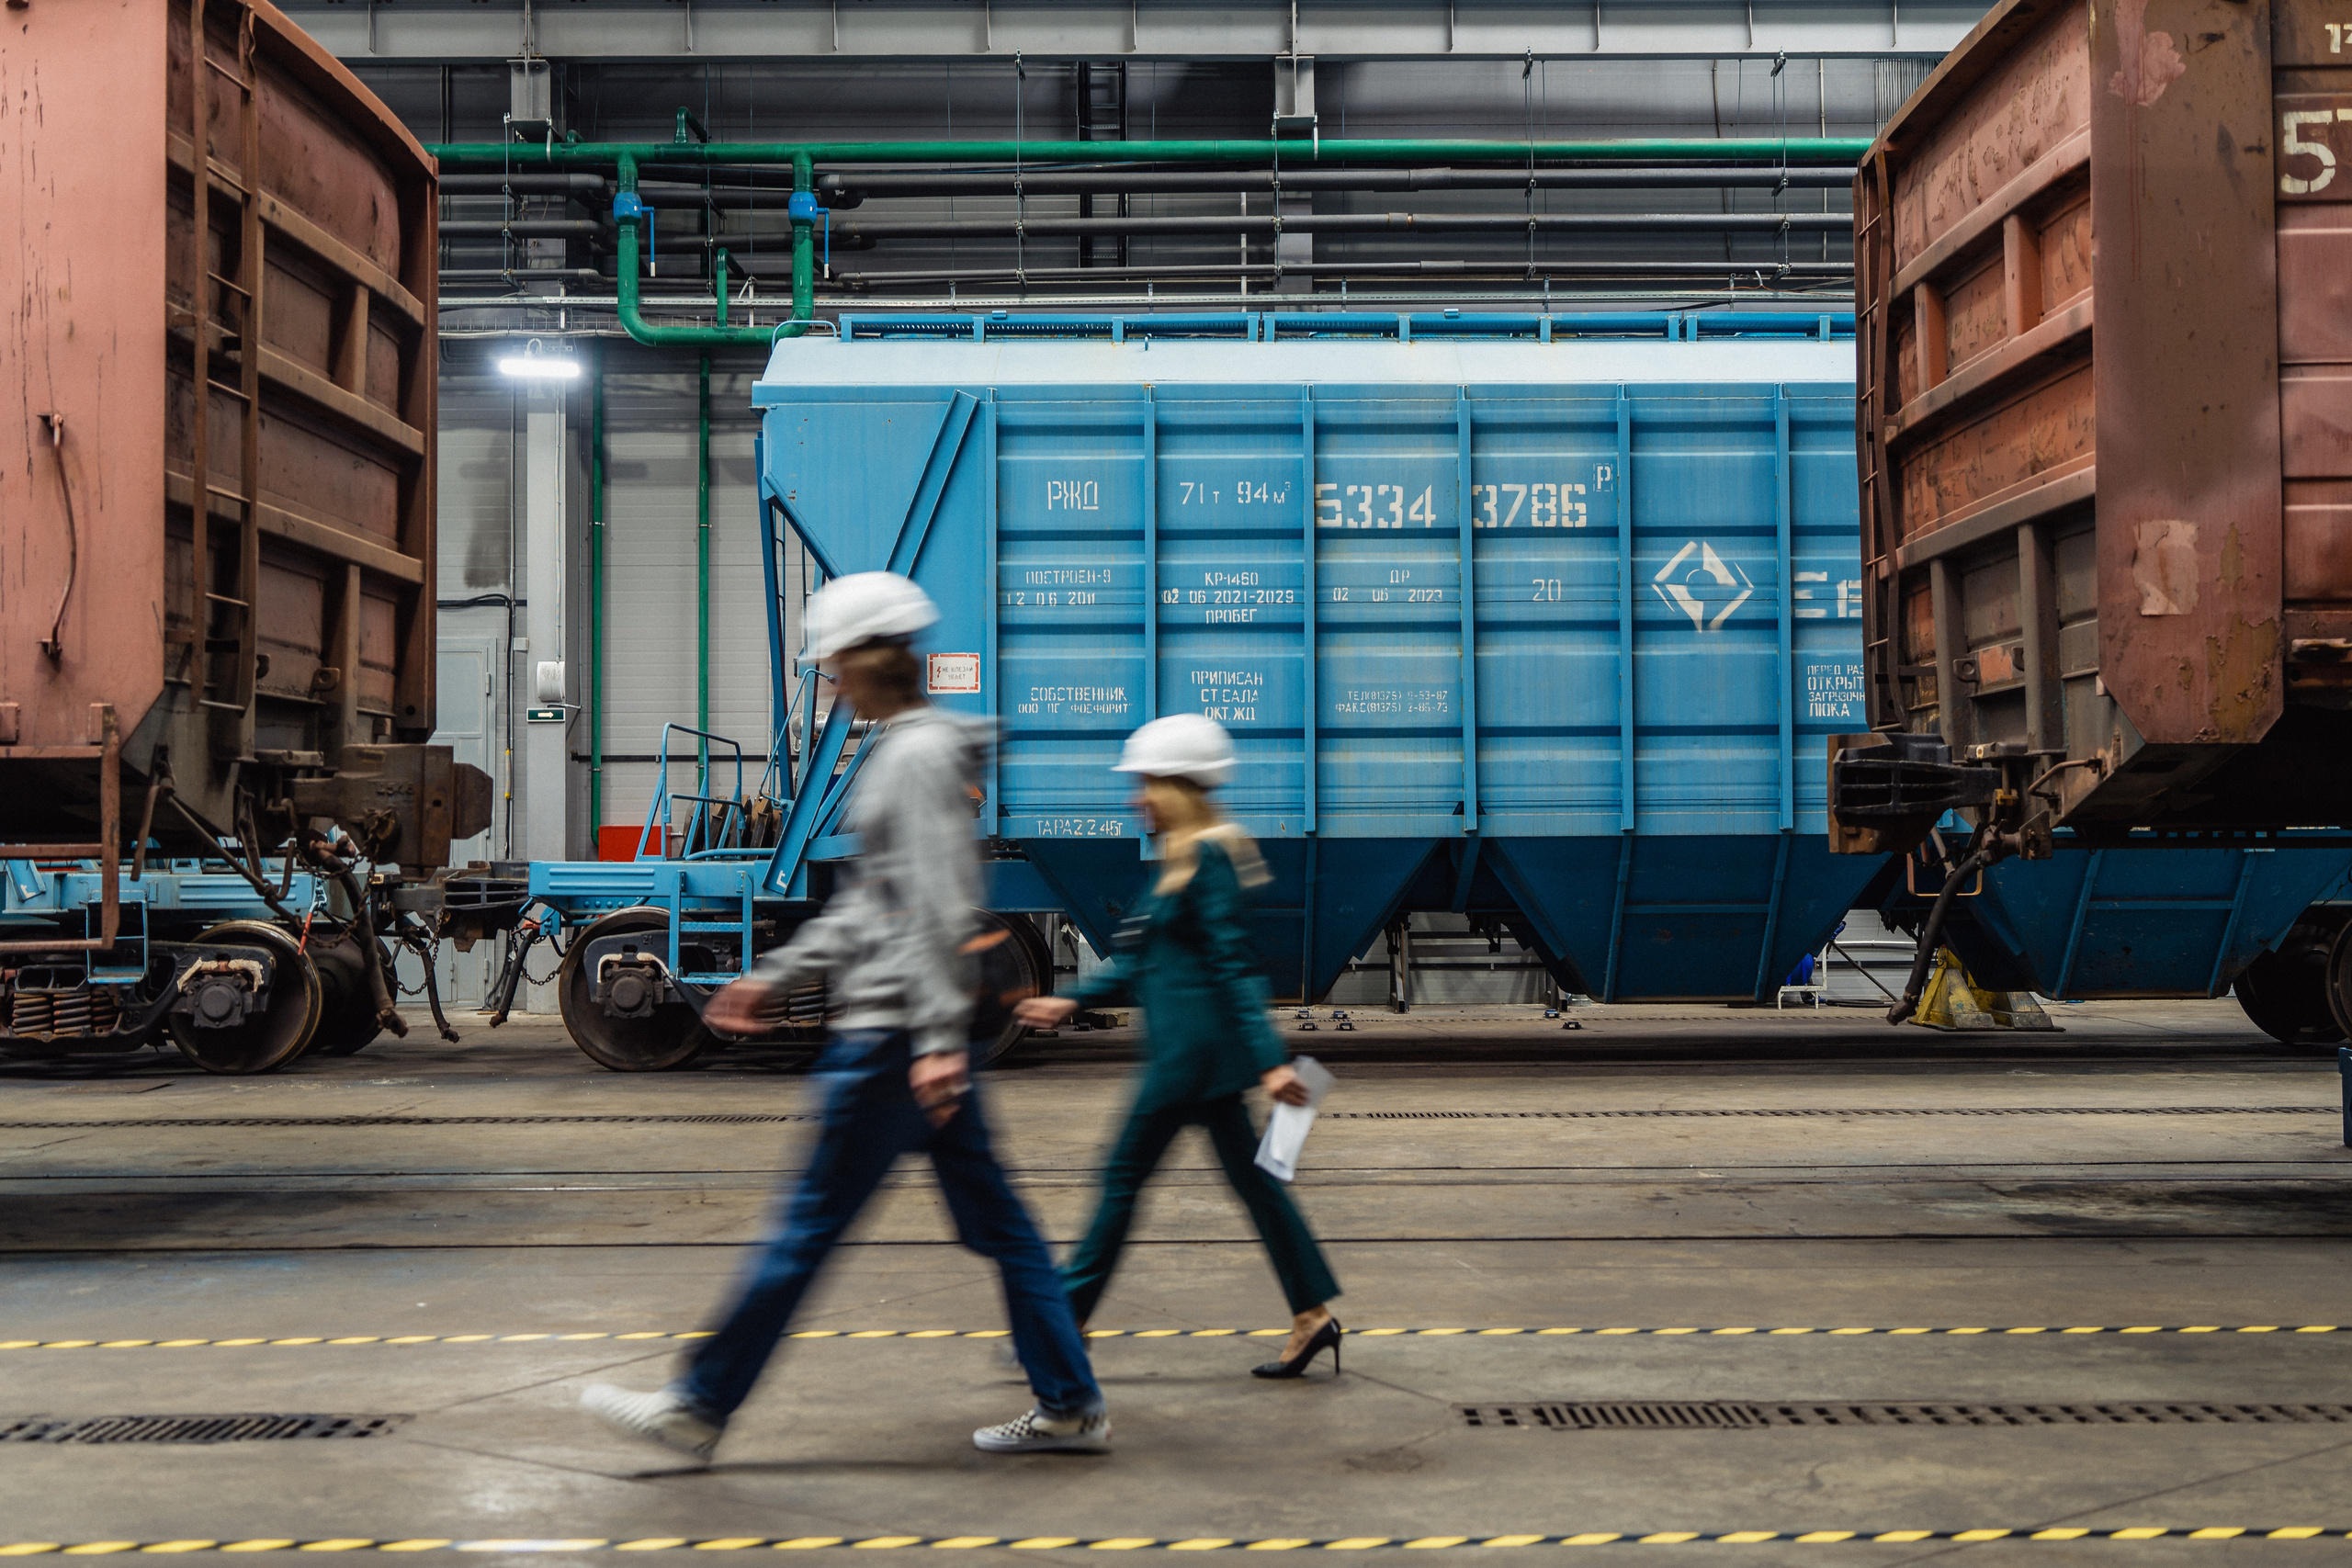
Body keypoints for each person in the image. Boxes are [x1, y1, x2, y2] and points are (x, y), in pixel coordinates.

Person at [583, 571, 1107, 1460]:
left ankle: (700, 1404)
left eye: (831, 660)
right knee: (1005, 1230)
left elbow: (936, 907)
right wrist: (777, 974)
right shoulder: (914, 748)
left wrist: (938, 1042)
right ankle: (1068, 1401)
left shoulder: (910, 757)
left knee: (805, 1230)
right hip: (919, 1040)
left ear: (868, 659)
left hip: (896, 1041)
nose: (827, 677)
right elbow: (876, 906)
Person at [1016, 714, 1344, 1379]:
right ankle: (1312, 1315)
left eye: (1144, 783)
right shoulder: (1179, 856)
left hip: (1188, 1062)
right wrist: (1067, 1000)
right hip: (1201, 1060)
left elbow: (1232, 965)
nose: (1135, 797)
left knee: (1119, 1182)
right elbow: (1141, 961)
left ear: (1177, 786)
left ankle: (1063, 1321)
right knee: (1257, 1185)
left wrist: (1272, 1061)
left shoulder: (1210, 856)